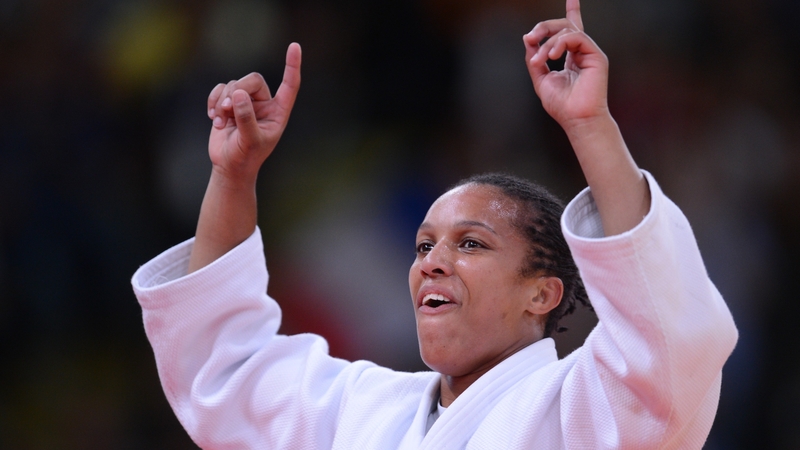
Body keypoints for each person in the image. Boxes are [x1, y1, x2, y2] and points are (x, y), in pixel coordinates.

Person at [132, 0, 738, 448]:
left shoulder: (576, 409)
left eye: (471, 243)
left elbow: (668, 343)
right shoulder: (357, 410)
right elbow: (223, 372)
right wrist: (234, 178)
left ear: (542, 292)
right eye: (424, 245)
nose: (432, 262)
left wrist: (590, 125)